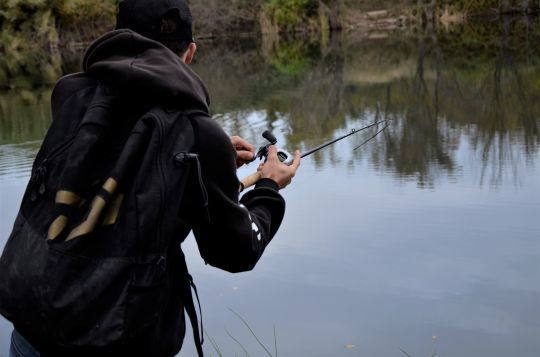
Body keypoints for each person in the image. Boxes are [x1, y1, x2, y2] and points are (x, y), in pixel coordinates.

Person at [5, 0, 300, 356]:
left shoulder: (72, 97)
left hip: (32, 331)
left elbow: (120, 188)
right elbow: (234, 251)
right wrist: (268, 186)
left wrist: (210, 164)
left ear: (117, 38)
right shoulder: (196, 133)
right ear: (189, 53)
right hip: (120, 342)